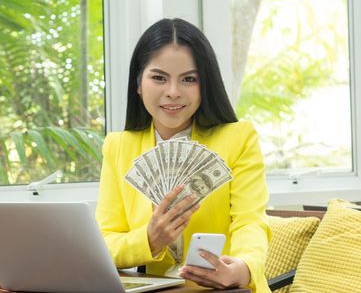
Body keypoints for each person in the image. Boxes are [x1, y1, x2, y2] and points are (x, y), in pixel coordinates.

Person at [95, 18, 271, 292]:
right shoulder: (118, 147)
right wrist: (149, 239)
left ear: (205, 84)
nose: (173, 93)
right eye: (159, 78)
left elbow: (250, 223)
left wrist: (242, 268)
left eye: (189, 79)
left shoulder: (239, 138)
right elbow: (104, 242)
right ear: (138, 84)